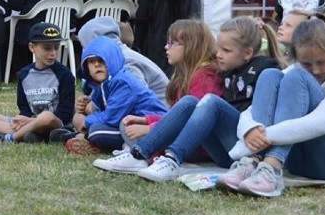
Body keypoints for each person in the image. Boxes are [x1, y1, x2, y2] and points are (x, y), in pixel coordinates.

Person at [93, 16, 283, 181]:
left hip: (244, 148)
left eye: (226, 51)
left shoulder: (265, 70)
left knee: (208, 101)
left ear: (247, 53)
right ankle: (139, 154)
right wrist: (149, 121)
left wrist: (150, 125)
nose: (218, 55)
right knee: (191, 102)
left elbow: (263, 112)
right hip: (225, 149)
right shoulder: (227, 71)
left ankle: (172, 158)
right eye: (219, 49)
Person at [218, 19, 325, 198]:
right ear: (297, 57)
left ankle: (271, 165)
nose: (315, 70)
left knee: (297, 78)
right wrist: (249, 130)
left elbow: (321, 123)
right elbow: (252, 109)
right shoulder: (296, 69)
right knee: (270, 75)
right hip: (302, 163)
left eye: (321, 62)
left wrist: (261, 137)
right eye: (307, 64)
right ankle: (252, 163)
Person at [64, 35, 168, 155]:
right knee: (95, 128)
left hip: (151, 125)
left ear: (112, 60)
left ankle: (122, 147)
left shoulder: (122, 82)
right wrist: (83, 107)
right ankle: (92, 141)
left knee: (96, 131)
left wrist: (85, 122)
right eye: (92, 61)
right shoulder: (103, 83)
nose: (97, 65)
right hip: (126, 122)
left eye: (101, 60)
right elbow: (99, 108)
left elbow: (111, 118)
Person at [0, 22, 75, 143]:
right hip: (29, 122)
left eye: (56, 47)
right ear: (32, 47)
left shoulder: (65, 75)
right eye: (47, 48)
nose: (53, 53)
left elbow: (65, 115)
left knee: (46, 116)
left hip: (55, 124)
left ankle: (12, 137)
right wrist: (24, 120)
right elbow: (24, 107)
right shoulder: (24, 74)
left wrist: (29, 121)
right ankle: (30, 134)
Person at [77, 17, 168, 101]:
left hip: (159, 115)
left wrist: (96, 112)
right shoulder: (117, 56)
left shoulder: (125, 61)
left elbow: (133, 100)